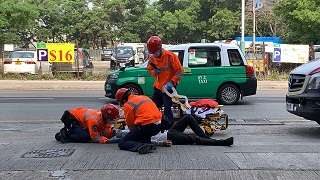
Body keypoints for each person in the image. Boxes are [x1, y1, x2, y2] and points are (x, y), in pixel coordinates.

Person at [113, 114, 234, 147]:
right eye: (119, 133)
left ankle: (206, 137)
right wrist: (162, 143)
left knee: (188, 118)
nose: (119, 132)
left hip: (167, 131)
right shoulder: (131, 138)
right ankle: (221, 142)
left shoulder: (131, 132)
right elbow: (148, 142)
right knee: (194, 139)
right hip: (168, 137)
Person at [146, 36, 183, 128]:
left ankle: (169, 127)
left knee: (167, 106)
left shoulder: (171, 56)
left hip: (169, 86)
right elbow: (149, 70)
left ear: (159, 47)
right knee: (153, 105)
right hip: (158, 86)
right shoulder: (152, 58)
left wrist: (172, 82)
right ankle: (153, 123)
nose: (154, 54)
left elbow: (179, 71)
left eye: (154, 52)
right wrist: (155, 72)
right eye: (152, 52)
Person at [115, 88, 162, 154]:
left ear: (124, 100)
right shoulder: (144, 97)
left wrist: (128, 134)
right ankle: (147, 144)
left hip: (146, 127)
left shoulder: (128, 105)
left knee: (122, 143)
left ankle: (141, 146)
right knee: (141, 135)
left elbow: (131, 126)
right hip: (159, 126)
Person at [55, 104, 120, 144]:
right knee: (85, 137)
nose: (112, 122)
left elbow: (106, 132)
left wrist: (114, 134)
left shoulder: (105, 119)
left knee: (91, 133)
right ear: (106, 116)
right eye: (112, 120)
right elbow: (95, 138)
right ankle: (64, 135)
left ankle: (75, 131)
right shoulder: (94, 120)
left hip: (79, 121)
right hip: (71, 119)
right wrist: (107, 141)